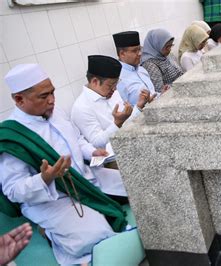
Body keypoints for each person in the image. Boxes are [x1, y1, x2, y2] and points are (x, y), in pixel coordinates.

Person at [1, 64, 127, 265]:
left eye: (52, 93)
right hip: (53, 198)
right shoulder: (13, 136)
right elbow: (13, 191)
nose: (51, 100)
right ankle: (50, 233)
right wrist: (45, 178)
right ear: (19, 100)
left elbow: (77, 139)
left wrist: (91, 151)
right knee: (97, 236)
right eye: (43, 96)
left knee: (134, 186)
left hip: (85, 178)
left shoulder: (56, 112)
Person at [71, 55, 152, 150]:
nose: (115, 89)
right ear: (95, 81)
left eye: (116, 84)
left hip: (131, 141)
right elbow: (97, 143)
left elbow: (127, 122)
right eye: (111, 85)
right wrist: (117, 123)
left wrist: (139, 106)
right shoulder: (81, 107)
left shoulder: (113, 93)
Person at [113, 31, 156, 106]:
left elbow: (152, 94)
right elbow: (123, 111)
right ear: (122, 54)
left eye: (140, 49)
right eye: (134, 51)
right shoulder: (118, 78)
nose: (140, 53)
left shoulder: (142, 70)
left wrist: (162, 94)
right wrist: (144, 105)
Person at [141, 29, 184, 93]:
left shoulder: (167, 55)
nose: (169, 49)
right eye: (166, 46)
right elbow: (160, 90)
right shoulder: (150, 64)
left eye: (171, 45)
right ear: (156, 45)